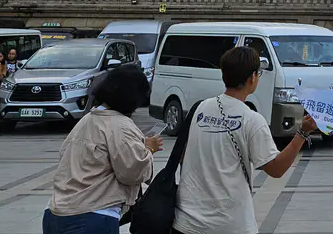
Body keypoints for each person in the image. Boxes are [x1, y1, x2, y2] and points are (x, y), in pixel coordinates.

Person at [173, 46, 317, 234]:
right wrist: (302, 134)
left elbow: (182, 157)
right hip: (229, 226)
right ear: (252, 78)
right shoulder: (252, 120)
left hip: (186, 223)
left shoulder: (198, 109)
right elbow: (276, 169)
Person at [43, 62, 158, 233]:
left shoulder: (87, 120)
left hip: (56, 212)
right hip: (92, 215)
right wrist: (149, 149)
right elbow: (132, 173)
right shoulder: (121, 126)